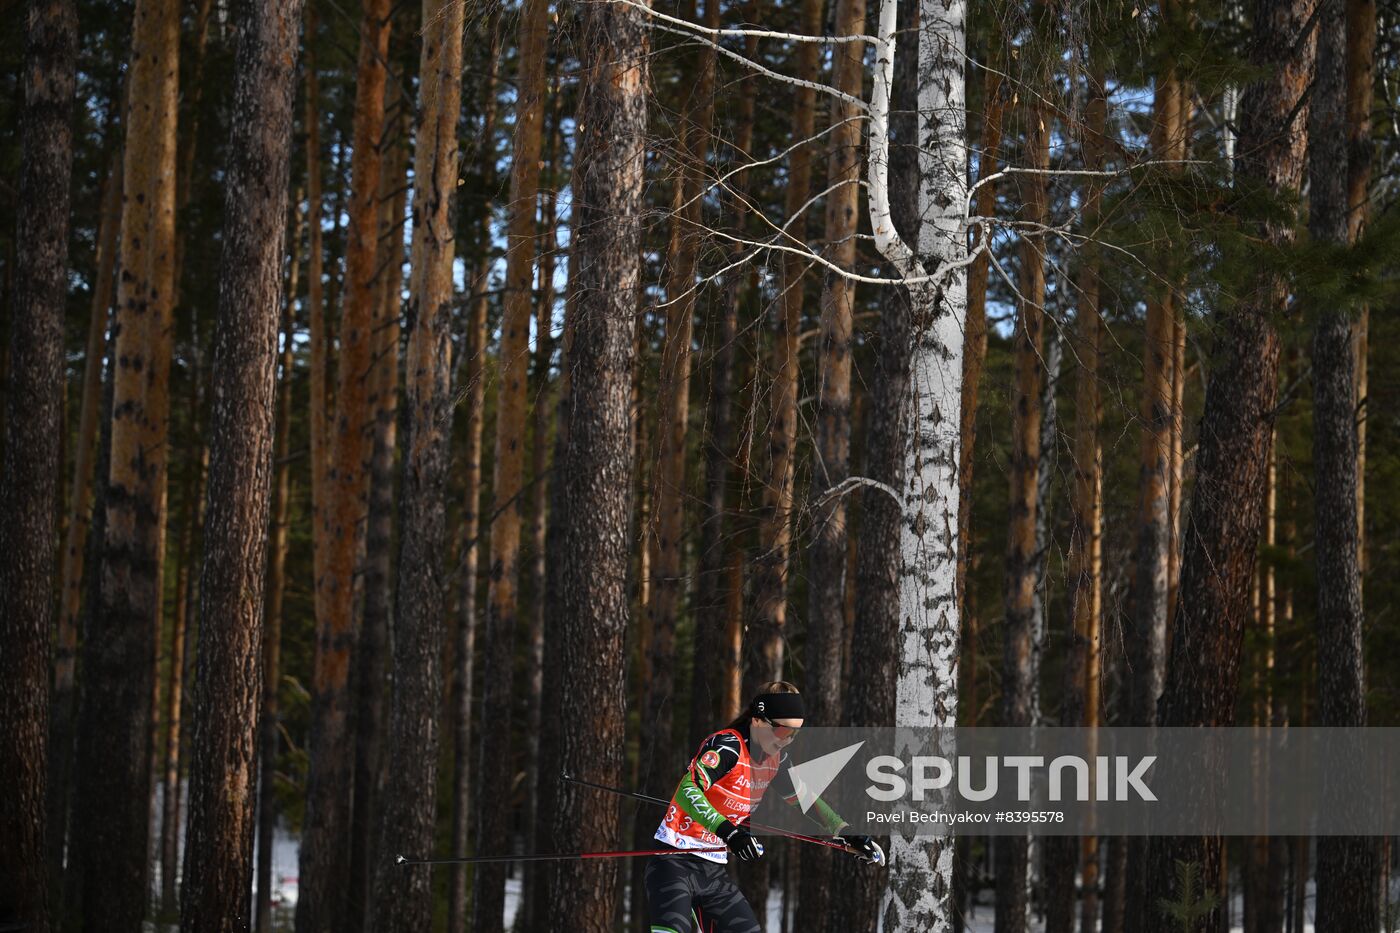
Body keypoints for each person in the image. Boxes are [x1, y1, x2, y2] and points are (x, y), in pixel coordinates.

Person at [646, 681, 883, 932]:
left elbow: (805, 799)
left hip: (712, 869)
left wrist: (847, 832)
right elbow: (687, 790)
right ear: (758, 721)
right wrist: (731, 832)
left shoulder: (776, 760)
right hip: (672, 861)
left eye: (795, 734)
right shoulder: (728, 747)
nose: (786, 741)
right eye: (783, 732)